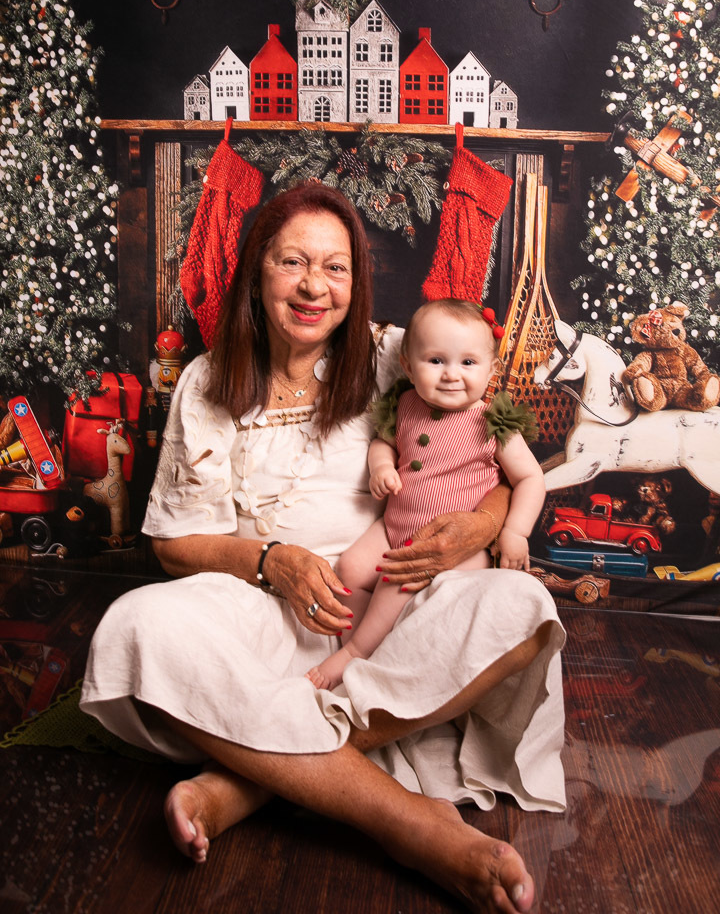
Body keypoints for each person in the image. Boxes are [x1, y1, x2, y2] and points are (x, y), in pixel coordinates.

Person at [80, 183, 566, 914]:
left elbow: (493, 462)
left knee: (522, 607)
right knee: (135, 626)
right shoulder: (208, 380)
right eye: (293, 262)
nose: (315, 286)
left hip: (396, 604)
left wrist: (482, 525)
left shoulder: (398, 353)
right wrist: (271, 560)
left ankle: (242, 783)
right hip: (264, 611)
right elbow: (174, 546)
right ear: (257, 270)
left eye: (335, 268)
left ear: (356, 281)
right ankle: (409, 823)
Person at [306, 299, 546, 691]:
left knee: (394, 583)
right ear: (407, 365)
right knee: (349, 569)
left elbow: (531, 478)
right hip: (395, 527)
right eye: (436, 361)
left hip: (456, 548)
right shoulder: (405, 404)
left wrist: (515, 532)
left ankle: (354, 654)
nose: (451, 374)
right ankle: (370, 650)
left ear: (492, 370)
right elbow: (384, 443)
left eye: (468, 362)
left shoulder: (493, 423)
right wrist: (382, 467)